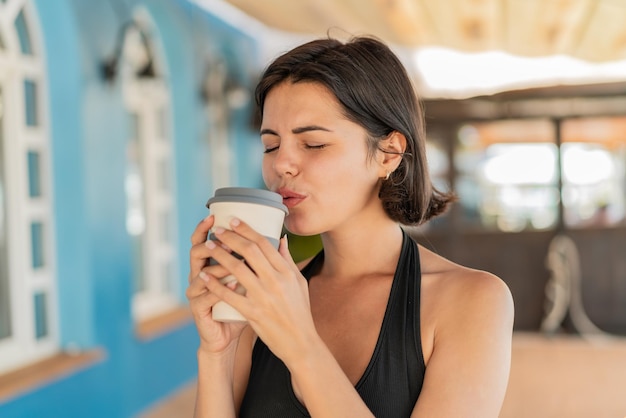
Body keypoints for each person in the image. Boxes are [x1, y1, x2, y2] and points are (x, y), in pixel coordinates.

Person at [186, 35, 514, 417]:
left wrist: (300, 344)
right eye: (271, 145)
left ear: (389, 153)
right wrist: (218, 352)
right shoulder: (266, 296)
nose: (281, 165)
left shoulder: (472, 301)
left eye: (313, 144)